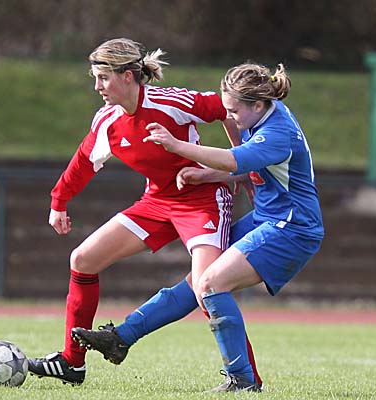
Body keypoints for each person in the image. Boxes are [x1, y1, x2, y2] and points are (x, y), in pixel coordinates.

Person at [74, 62, 324, 392]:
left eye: (234, 110)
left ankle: (243, 380)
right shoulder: (263, 115)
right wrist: (206, 175)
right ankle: (121, 337)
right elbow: (248, 166)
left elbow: (234, 160)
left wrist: (177, 146)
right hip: (269, 217)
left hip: (292, 227)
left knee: (211, 283)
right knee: (199, 283)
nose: (229, 116)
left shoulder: (277, 132)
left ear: (257, 105)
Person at [27, 38, 261, 386]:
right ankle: (72, 363)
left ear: (127, 76)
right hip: (156, 202)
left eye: (103, 78)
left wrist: (241, 161)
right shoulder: (107, 121)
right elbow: (83, 162)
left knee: (207, 287)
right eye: (95, 78)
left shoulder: (171, 102)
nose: (97, 86)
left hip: (202, 201)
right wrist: (58, 201)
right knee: (82, 259)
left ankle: (246, 378)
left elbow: (228, 109)